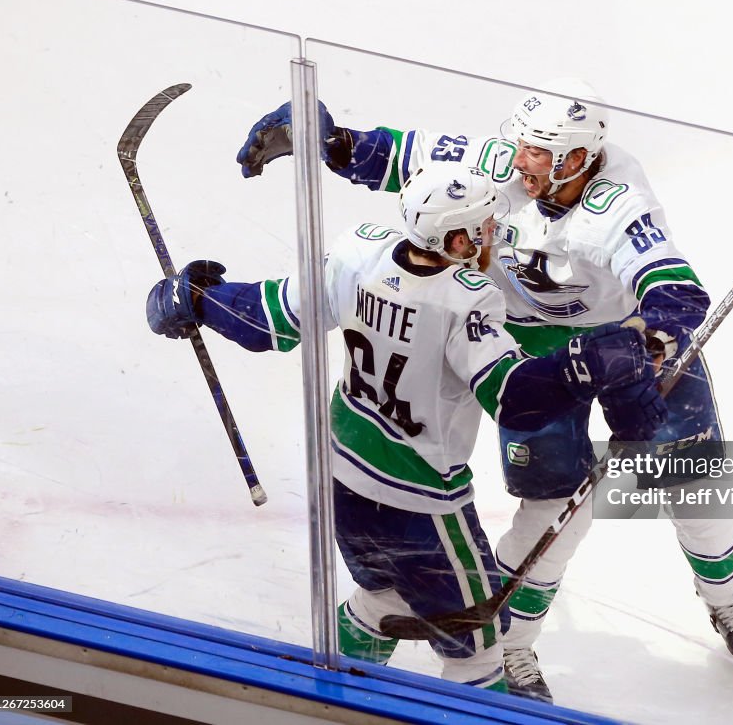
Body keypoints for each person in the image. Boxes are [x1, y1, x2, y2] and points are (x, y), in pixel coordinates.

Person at [236, 79, 733, 702]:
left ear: (581, 157)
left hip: (626, 336)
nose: (523, 160)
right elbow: (402, 157)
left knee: (696, 483)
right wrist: (330, 142)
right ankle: (513, 644)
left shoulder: (619, 203)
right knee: (556, 511)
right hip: (528, 348)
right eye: (523, 145)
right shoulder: (500, 164)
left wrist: (647, 345)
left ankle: (728, 599)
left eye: (542, 152)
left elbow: (674, 290)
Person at [145, 162, 663, 694]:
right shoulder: (467, 297)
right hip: (420, 504)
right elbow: (513, 400)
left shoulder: (360, 250)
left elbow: (267, 318)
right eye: (485, 229)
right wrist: (586, 362)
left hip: (341, 477)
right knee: (477, 645)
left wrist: (200, 300)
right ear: (457, 240)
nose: (495, 238)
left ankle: (333, 704)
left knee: (385, 596)